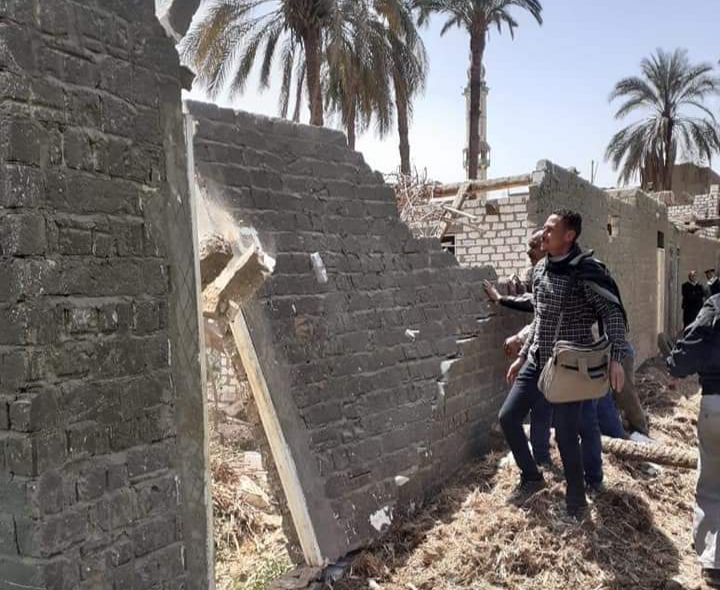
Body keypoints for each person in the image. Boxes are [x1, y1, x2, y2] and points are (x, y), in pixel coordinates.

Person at [499, 209, 628, 519]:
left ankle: (577, 503)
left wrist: (617, 358)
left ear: (569, 236)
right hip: (537, 360)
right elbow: (540, 319)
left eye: (550, 229)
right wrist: (522, 357)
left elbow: (613, 313)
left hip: (570, 366)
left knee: (567, 434)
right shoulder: (540, 270)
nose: (543, 234)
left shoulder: (586, 271)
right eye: (544, 228)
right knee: (508, 417)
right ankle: (531, 477)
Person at [483, 230, 554, 467]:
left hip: (555, 358)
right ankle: (540, 462)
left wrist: (520, 342)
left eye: (534, 246)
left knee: (512, 415)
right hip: (544, 357)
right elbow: (536, 307)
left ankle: (533, 470)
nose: (528, 252)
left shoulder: (558, 276)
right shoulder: (543, 272)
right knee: (542, 411)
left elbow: (542, 316)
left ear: (547, 246)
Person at [666, 293, 720, 588]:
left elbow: (693, 343)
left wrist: (674, 365)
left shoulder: (717, 305)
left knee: (712, 483)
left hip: (716, 404)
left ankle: (714, 561)